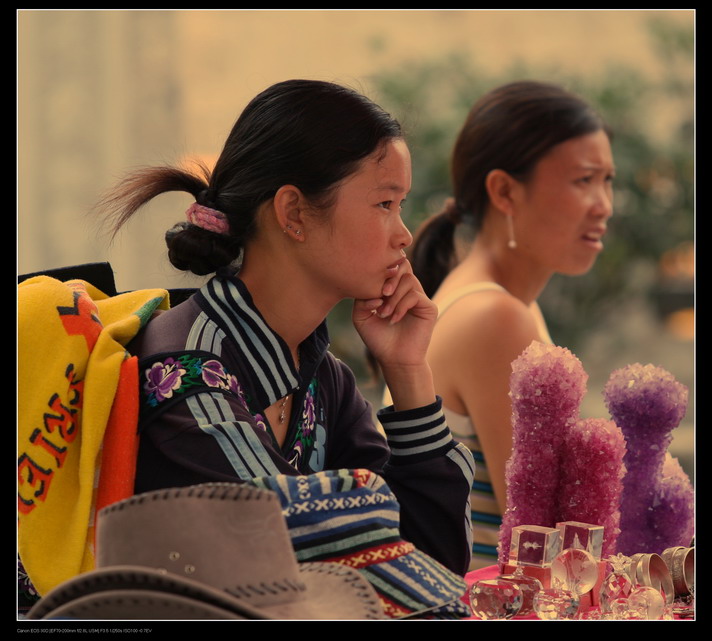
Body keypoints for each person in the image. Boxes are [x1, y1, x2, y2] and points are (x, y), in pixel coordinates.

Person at [100, 79, 475, 576]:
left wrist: (407, 373)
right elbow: (306, 558)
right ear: (293, 212)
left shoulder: (322, 377)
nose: (403, 235)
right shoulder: (185, 373)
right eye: (385, 204)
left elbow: (436, 561)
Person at [409, 80, 614, 569]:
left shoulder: (506, 305)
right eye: (584, 180)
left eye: (608, 181)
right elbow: (541, 546)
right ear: (504, 190)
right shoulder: (494, 317)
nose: (604, 204)